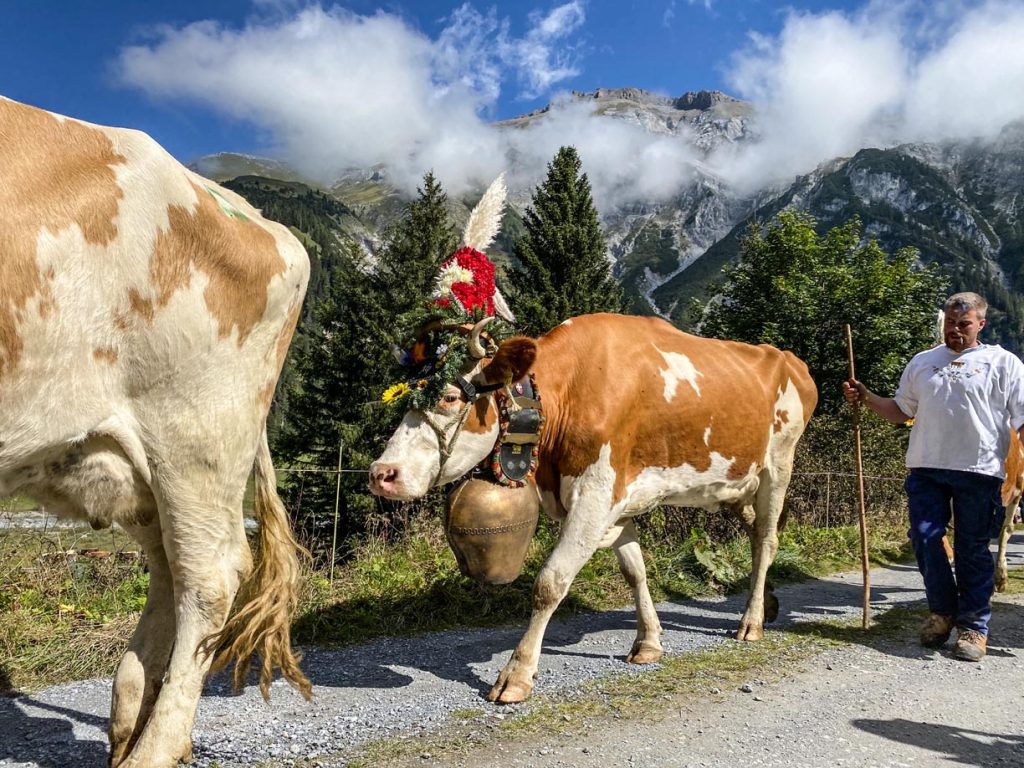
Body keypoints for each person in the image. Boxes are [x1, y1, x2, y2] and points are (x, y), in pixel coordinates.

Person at [843, 292, 1024, 661]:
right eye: (950, 323)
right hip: (926, 467)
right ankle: (942, 613)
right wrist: (866, 397)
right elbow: (900, 411)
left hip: (980, 470)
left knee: (972, 549)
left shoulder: (1004, 363)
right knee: (925, 539)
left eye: (964, 324)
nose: (955, 331)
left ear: (980, 325)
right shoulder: (924, 362)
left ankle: (974, 628)